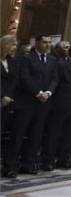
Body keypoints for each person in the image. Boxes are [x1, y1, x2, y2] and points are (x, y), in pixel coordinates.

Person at [9, 34, 59, 175]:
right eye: (44, 42)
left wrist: (48, 92)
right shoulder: (26, 58)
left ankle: (28, 163)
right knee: (18, 134)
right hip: (27, 102)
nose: (48, 45)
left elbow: (55, 79)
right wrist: (38, 92)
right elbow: (24, 77)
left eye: (49, 42)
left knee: (36, 135)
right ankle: (11, 165)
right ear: (36, 43)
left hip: (44, 103)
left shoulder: (52, 60)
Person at [44, 42, 71, 169]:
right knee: (54, 134)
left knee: (70, 134)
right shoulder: (61, 64)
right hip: (61, 105)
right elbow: (56, 82)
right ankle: (49, 160)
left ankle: (64, 158)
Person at [1, 35, 19, 178]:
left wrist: (8, 96)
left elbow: (14, 81)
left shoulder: (12, 62)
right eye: (12, 45)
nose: (15, 48)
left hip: (8, 103)